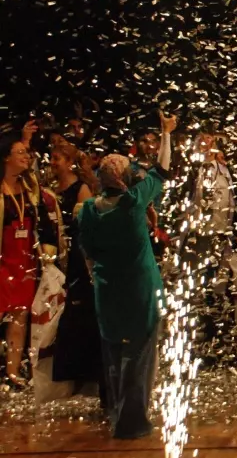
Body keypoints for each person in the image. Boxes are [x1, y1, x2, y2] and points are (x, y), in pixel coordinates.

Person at [76, 153, 164, 438]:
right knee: (139, 353)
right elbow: (162, 170)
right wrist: (166, 133)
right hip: (140, 288)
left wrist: (95, 274)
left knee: (113, 352)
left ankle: (118, 413)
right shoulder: (133, 203)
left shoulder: (89, 209)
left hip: (107, 287)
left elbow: (87, 249)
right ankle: (133, 420)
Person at [1, 128, 64, 388]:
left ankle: (13, 374)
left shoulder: (29, 187)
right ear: (5, 158)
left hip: (24, 259)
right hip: (3, 257)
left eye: (27, 153)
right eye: (20, 153)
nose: (26, 157)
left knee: (20, 316)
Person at [48, 142, 105, 393]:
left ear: (69, 161)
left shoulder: (81, 189)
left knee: (81, 312)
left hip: (78, 259)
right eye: (51, 157)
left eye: (57, 158)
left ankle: (86, 372)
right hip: (60, 256)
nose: (52, 162)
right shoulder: (50, 190)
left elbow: (87, 228)